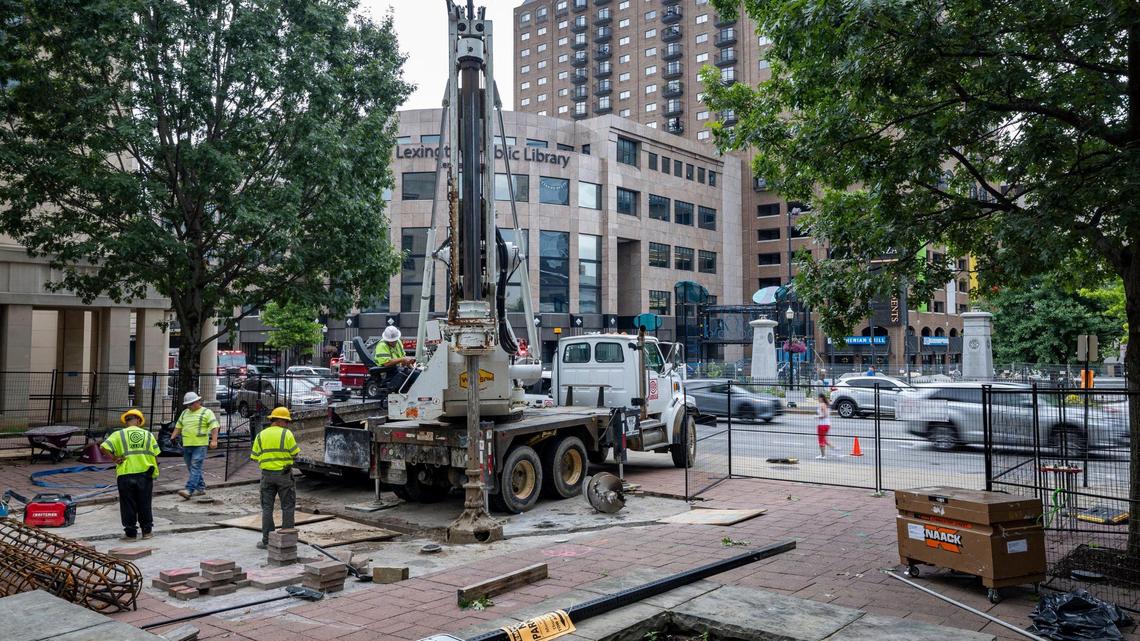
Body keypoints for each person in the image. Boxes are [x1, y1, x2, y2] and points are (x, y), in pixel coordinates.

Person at [100, 409, 160, 541]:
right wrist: (155, 472)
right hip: (145, 473)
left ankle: (131, 534)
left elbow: (103, 447)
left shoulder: (118, 434)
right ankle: (147, 532)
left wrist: (114, 458)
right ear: (139, 420)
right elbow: (155, 455)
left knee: (127, 504)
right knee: (145, 502)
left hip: (125, 474)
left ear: (126, 422)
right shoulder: (148, 434)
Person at [251, 406, 300, 549]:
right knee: (288, 506)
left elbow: (254, 457)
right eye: (286, 421)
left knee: (267, 508)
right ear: (279, 420)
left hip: (266, 476)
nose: (287, 424)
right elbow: (295, 454)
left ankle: (267, 541)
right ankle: (287, 541)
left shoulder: (261, 435)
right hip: (284, 476)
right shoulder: (287, 434)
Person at [171, 391, 220, 499]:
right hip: (187, 445)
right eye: (187, 404)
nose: (189, 406)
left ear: (198, 401)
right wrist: (173, 437)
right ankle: (201, 488)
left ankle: (189, 490)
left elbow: (214, 427)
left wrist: (214, 440)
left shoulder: (207, 412)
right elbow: (178, 426)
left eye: (191, 404)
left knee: (195, 466)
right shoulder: (184, 413)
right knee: (192, 467)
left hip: (200, 445)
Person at [374, 326, 418, 391]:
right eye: (391, 341)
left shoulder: (398, 342)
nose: (394, 342)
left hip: (396, 369)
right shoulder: (382, 345)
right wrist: (403, 359)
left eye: (395, 340)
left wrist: (413, 368)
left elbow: (403, 358)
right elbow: (387, 363)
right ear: (386, 339)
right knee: (413, 375)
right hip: (386, 372)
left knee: (416, 373)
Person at [816, 393, 836, 459]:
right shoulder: (826, 404)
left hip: (822, 425)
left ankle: (823, 455)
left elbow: (826, 415)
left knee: (821, 440)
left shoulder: (822, 404)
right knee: (824, 439)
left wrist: (818, 417)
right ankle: (834, 448)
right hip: (827, 424)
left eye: (818, 398)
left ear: (821, 398)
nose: (817, 399)